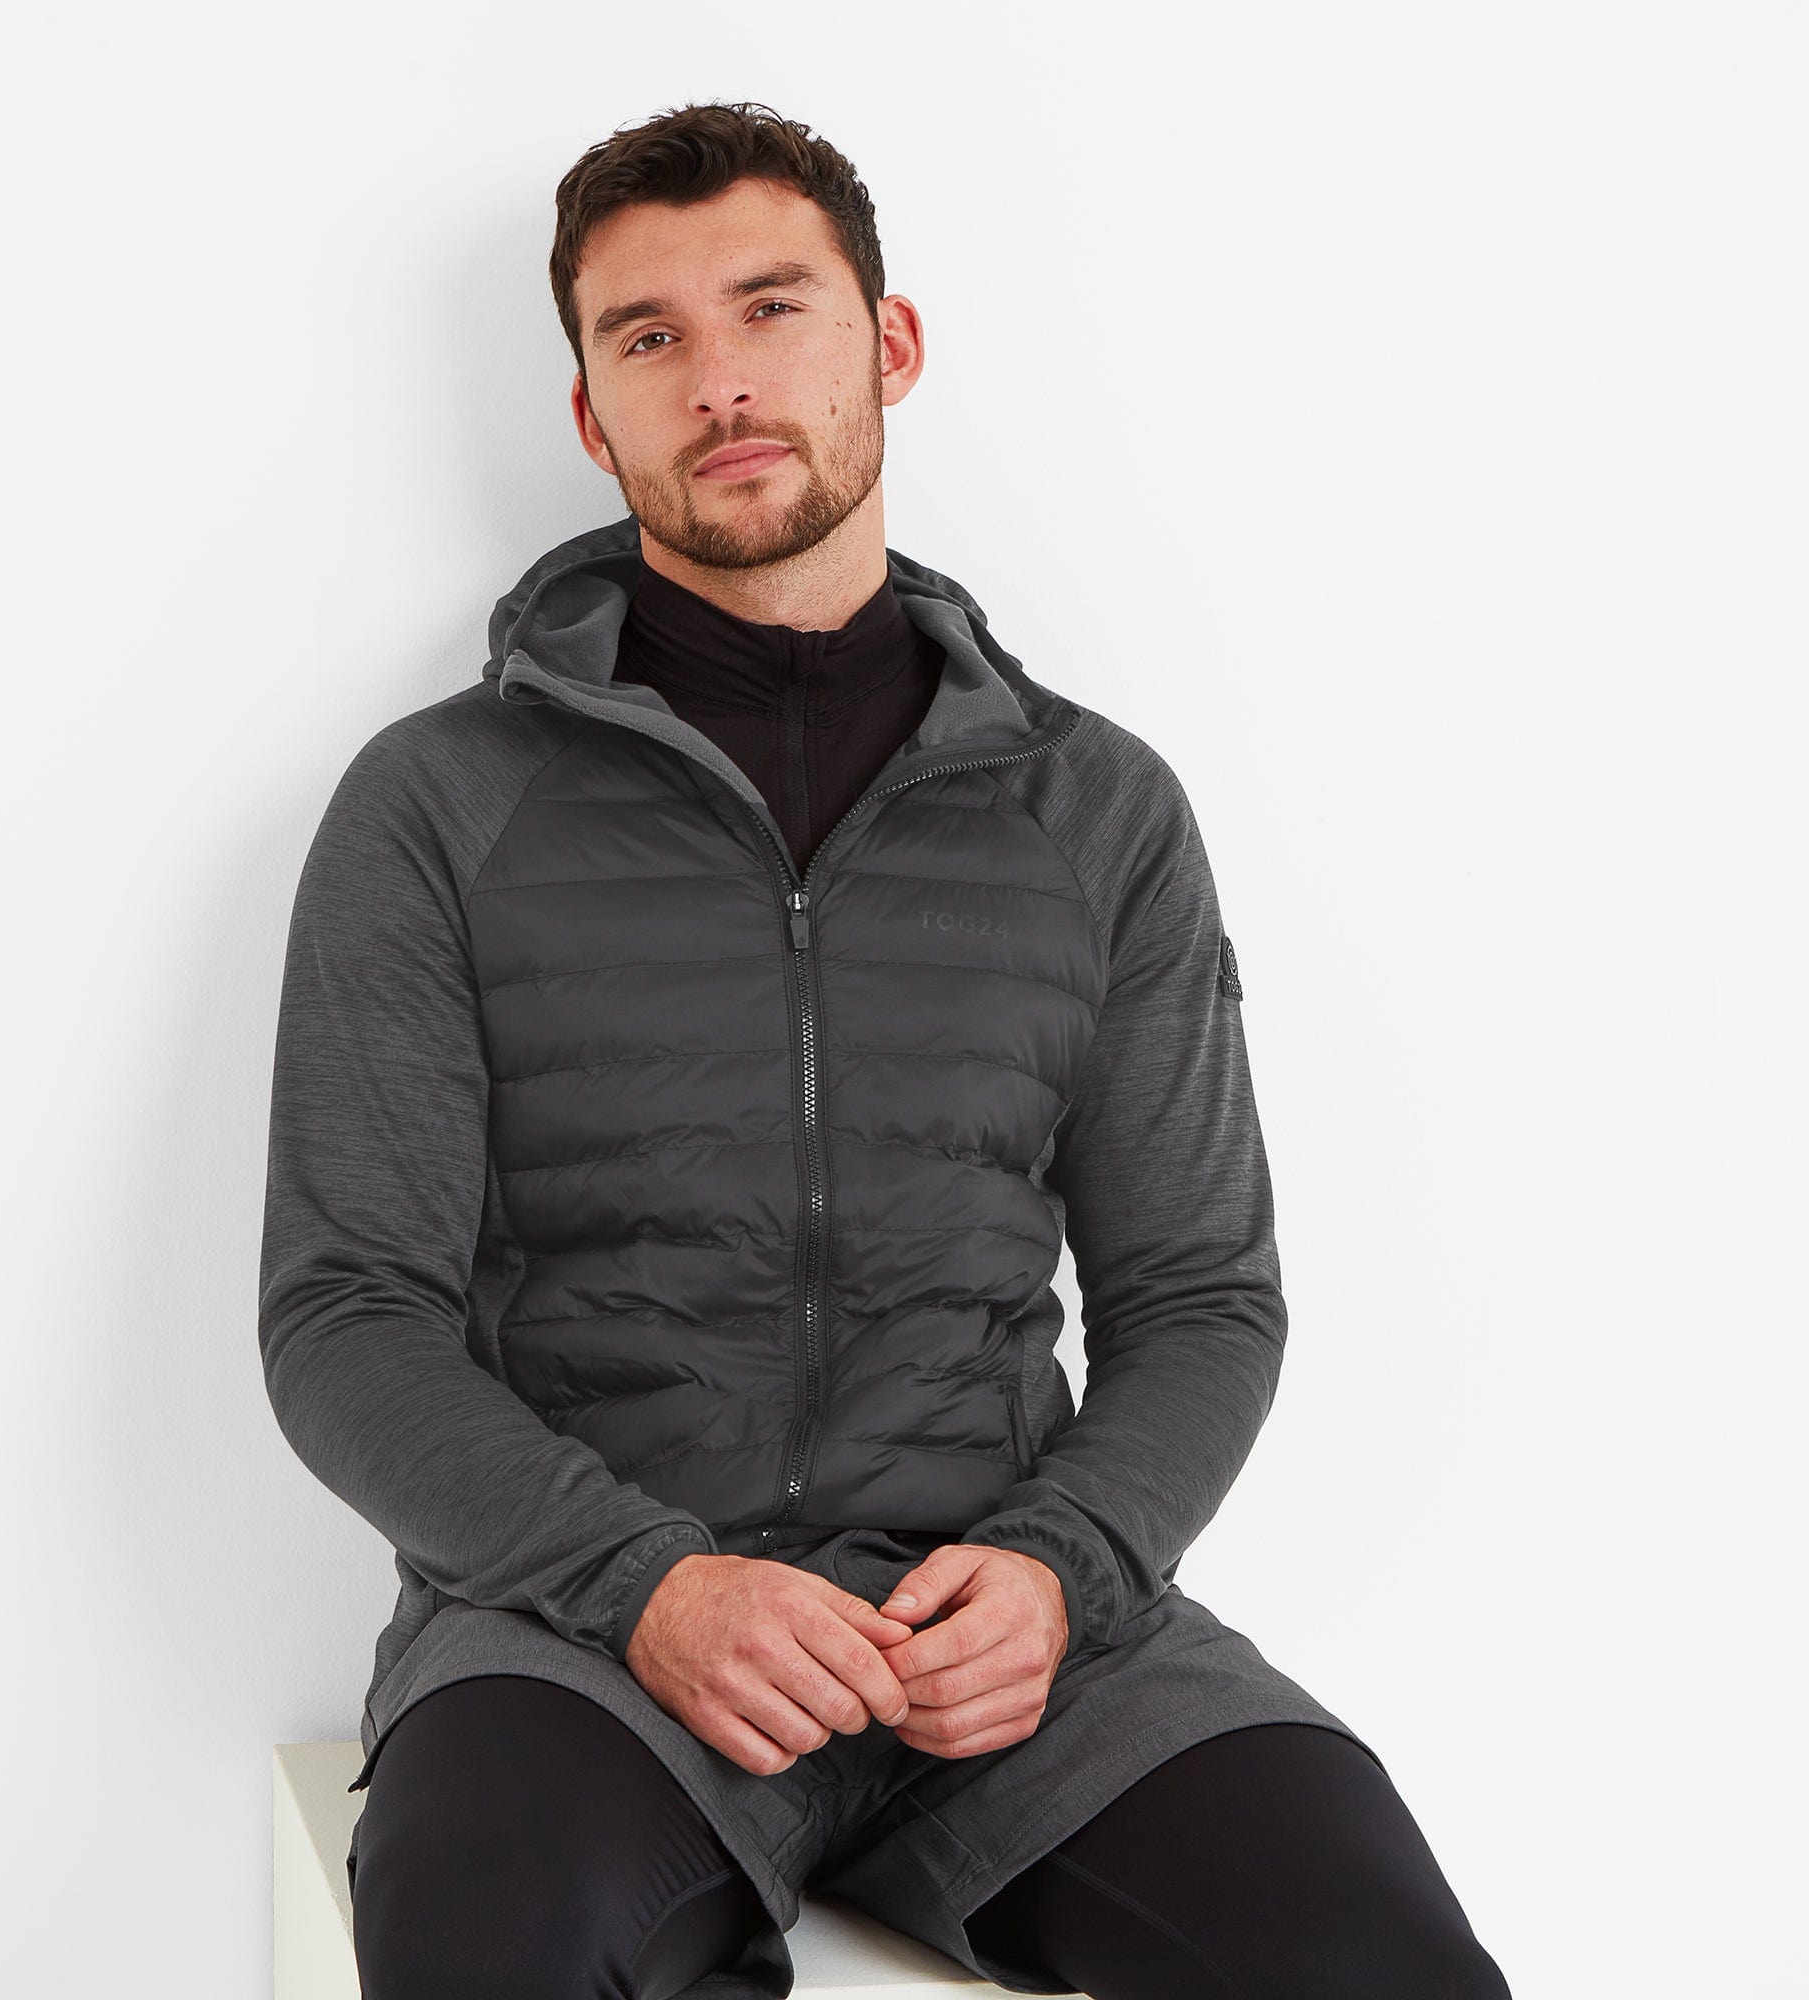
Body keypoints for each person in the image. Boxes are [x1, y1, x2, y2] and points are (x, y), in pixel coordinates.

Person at [257, 99, 1512, 1999]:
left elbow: (1200, 1296)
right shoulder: (438, 803)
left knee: (1378, 1964)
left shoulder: (1094, 810)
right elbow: (347, 1314)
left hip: (1011, 1643)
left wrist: (1064, 1568)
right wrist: (642, 1586)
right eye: (650, 336)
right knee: (489, 1951)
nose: (721, 381)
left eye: (773, 308)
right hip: (589, 1640)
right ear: (592, 415)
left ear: (889, 344)